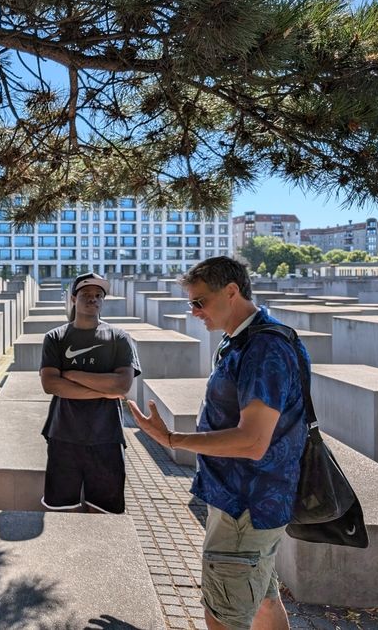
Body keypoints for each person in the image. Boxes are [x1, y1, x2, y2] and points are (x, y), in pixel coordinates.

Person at [129, 256, 308, 630]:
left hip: (245, 507)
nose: (194, 312)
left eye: (200, 301)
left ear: (231, 292)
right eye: (189, 303)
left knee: (224, 616)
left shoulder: (264, 349)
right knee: (261, 600)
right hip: (248, 503)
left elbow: (253, 441)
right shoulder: (242, 341)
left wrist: (172, 438)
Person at [39, 271, 141, 514]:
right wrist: (104, 390)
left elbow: (122, 386)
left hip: (107, 437)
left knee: (105, 512)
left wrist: (72, 375)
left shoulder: (119, 338)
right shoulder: (56, 337)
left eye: (98, 295)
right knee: (62, 511)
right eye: (86, 294)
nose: (93, 299)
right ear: (74, 298)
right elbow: (51, 384)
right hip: (63, 434)